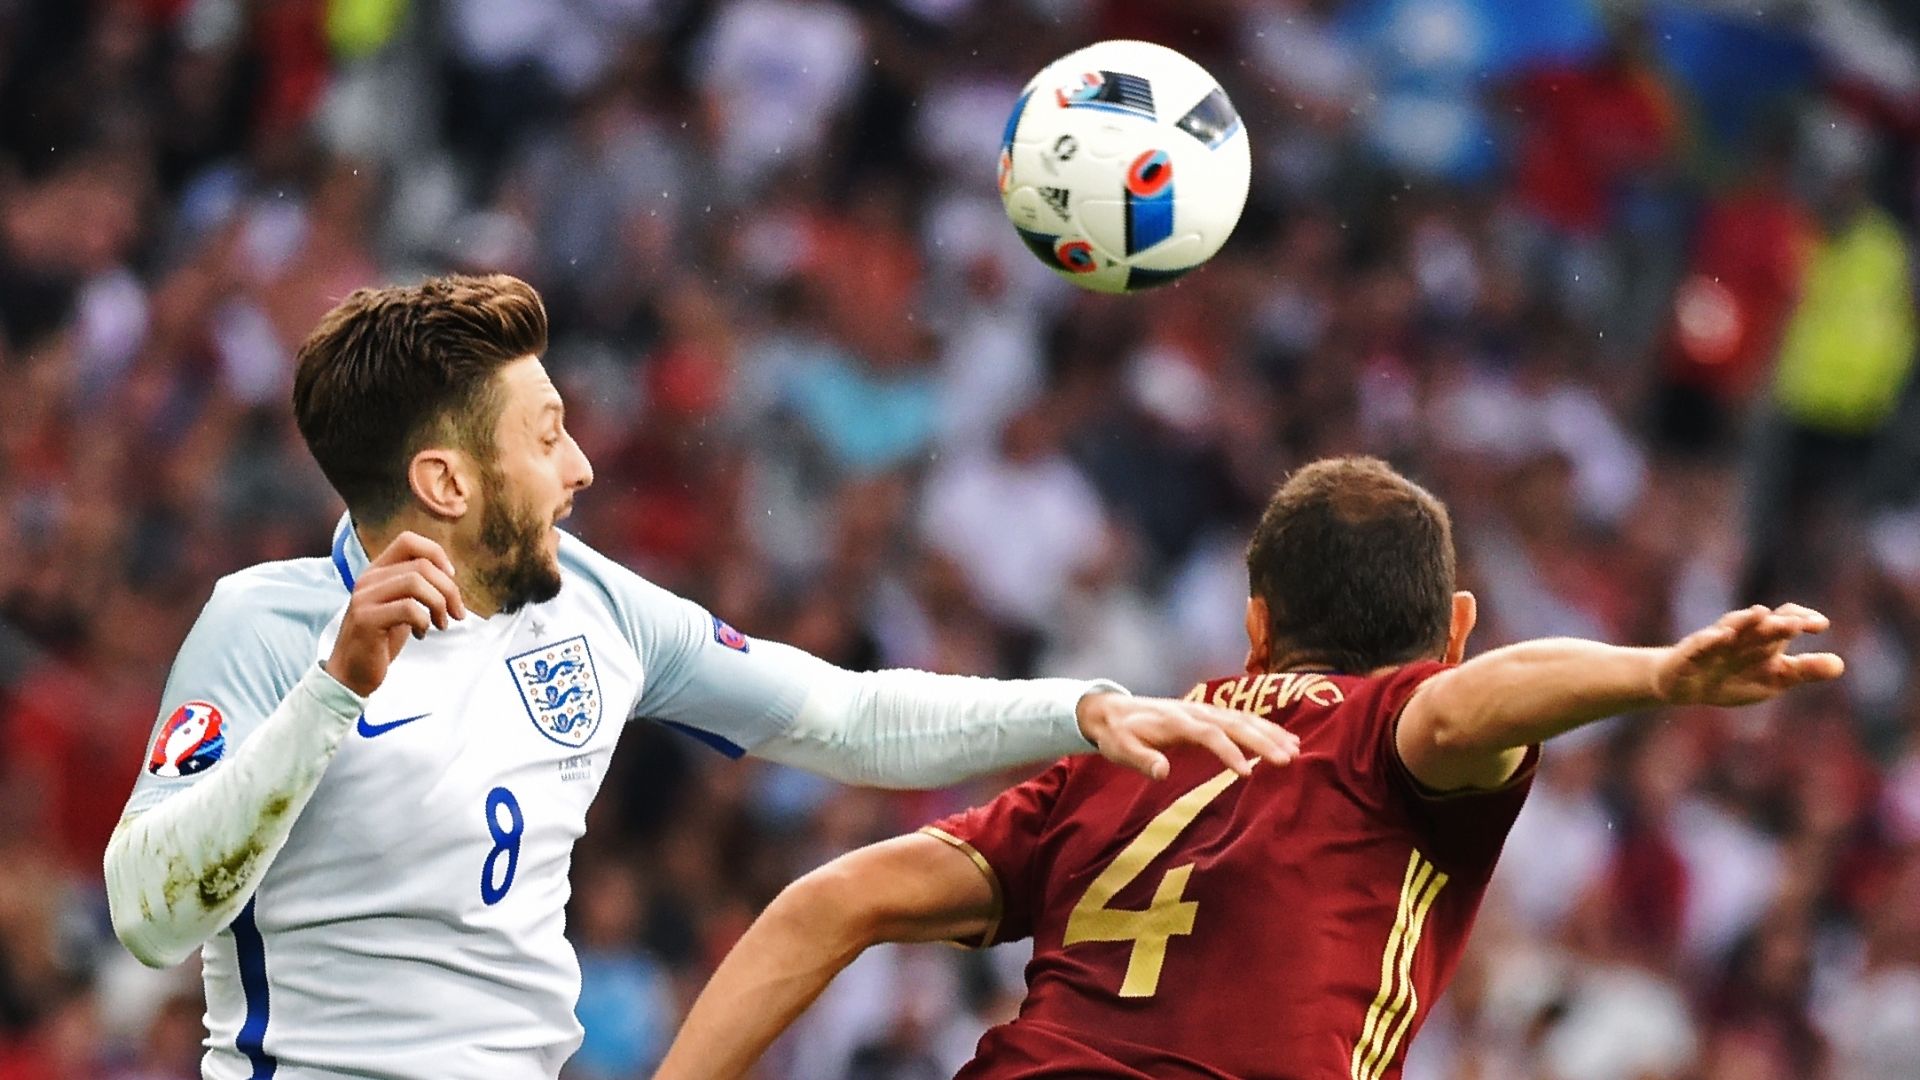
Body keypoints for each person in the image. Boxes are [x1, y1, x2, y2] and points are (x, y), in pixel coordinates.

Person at [100, 274, 1298, 1080]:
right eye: (547, 434)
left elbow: (839, 714)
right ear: (448, 484)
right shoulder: (265, 627)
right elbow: (151, 918)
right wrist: (333, 693)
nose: (580, 469)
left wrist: (1077, 710)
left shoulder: (594, 606)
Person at [654, 456, 1845, 1080]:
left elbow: (830, 901)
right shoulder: (1391, 729)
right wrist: (1654, 677)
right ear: (1458, 626)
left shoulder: (1124, 752)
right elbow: (1470, 705)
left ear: (1258, 627)